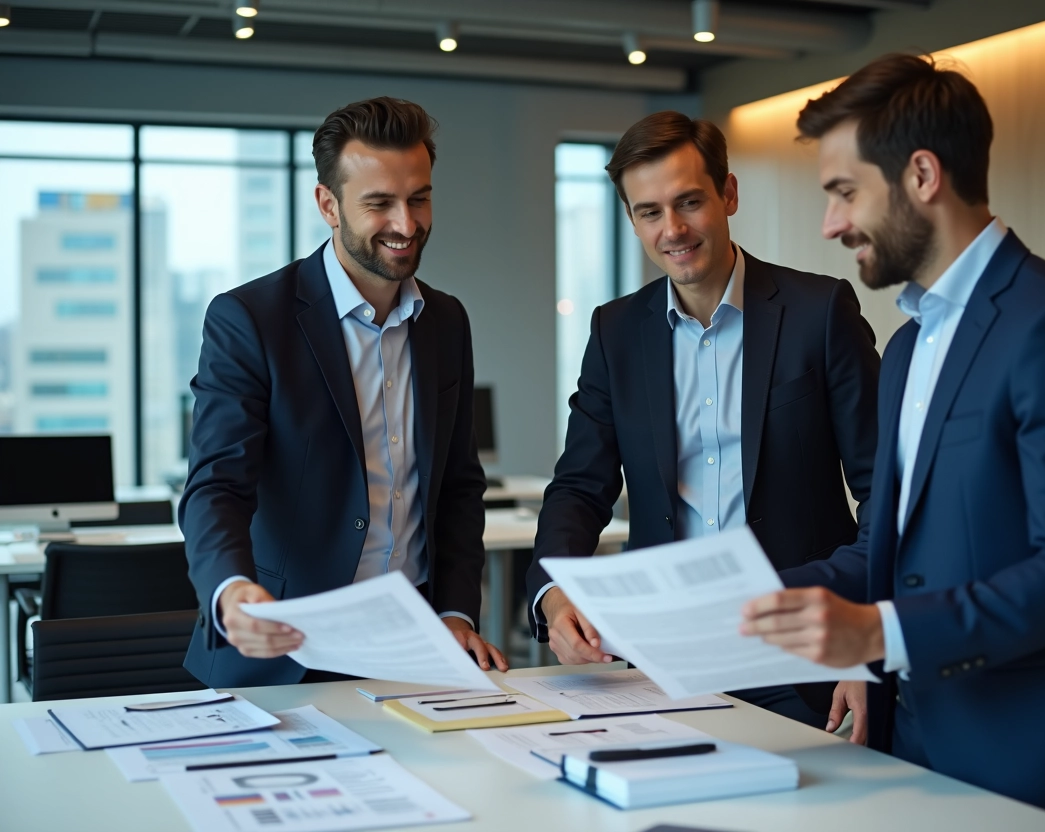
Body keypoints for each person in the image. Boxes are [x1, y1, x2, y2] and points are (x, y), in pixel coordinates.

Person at [740, 53, 1045, 823]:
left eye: (844, 193)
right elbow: (887, 552)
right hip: (913, 747)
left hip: (1032, 771)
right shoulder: (906, 347)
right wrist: (763, 593)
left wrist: (878, 629)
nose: (830, 224)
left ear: (922, 175)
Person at [526, 111, 881, 727]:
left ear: (729, 193)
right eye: (650, 212)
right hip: (664, 661)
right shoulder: (615, 332)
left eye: (689, 201)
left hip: (801, 660)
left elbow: (884, 490)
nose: (674, 229)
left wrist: (868, 639)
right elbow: (580, 487)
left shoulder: (819, 313)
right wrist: (553, 595)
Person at [180, 97, 506, 688]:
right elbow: (216, 485)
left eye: (419, 198)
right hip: (283, 655)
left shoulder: (446, 320)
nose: (406, 225)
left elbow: (458, 485)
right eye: (379, 204)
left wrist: (456, 611)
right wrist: (229, 593)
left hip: (413, 652)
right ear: (328, 204)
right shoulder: (249, 319)